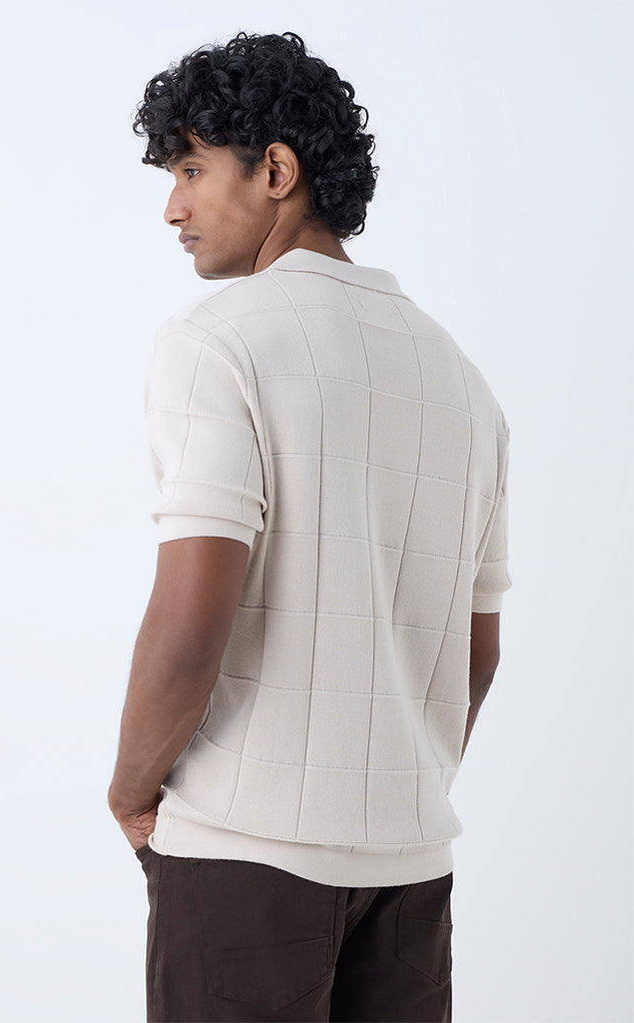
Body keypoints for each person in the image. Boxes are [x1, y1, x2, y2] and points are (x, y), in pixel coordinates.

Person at [107, 30, 511, 1023]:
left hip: (245, 863)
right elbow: (477, 649)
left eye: (192, 169)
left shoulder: (218, 344)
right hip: (409, 871)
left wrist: (130, 789)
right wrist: (393, 783)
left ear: (276, 171)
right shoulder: (460, 381)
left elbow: (190, 624)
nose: (172, 207)